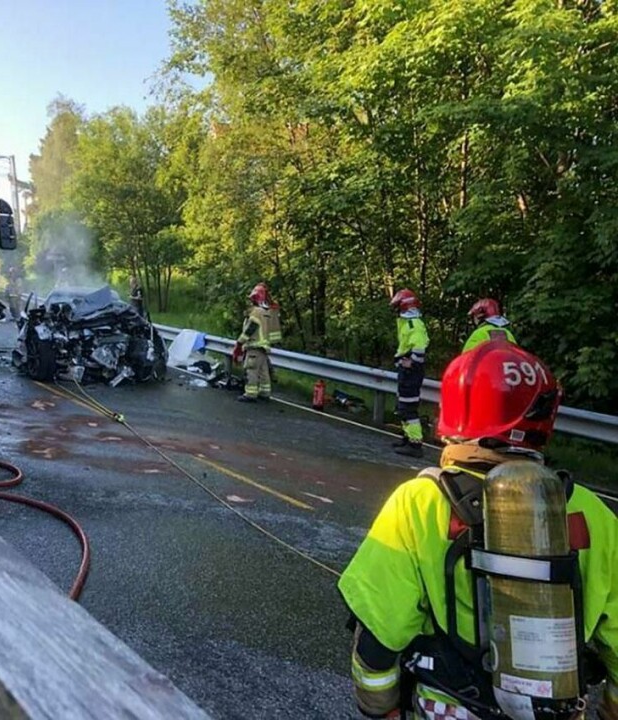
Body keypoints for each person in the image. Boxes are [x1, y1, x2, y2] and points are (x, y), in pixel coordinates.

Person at [338, 341, 618, 720]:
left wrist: (379, 707)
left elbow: (377, 633)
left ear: (456, 410)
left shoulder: (421, 501)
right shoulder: (594, 514)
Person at [390, 289, 429, 457]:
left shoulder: (414, 323)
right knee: (402, 406)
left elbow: (419, 347)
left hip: (411, 372)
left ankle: (415, 444)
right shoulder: (408, 322)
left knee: (408, 407)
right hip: (407, 370)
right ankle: (407, 437)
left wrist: (411, 363)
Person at [232, 283, 282, 402]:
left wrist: (239, 343)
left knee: (252, 370)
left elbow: (250, 329)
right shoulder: (267, 312)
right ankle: (265, 393)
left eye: (252, 298)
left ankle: (250, 394)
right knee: (263, 371)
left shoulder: (256, 312)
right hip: (264, 348)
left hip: (254, 346)